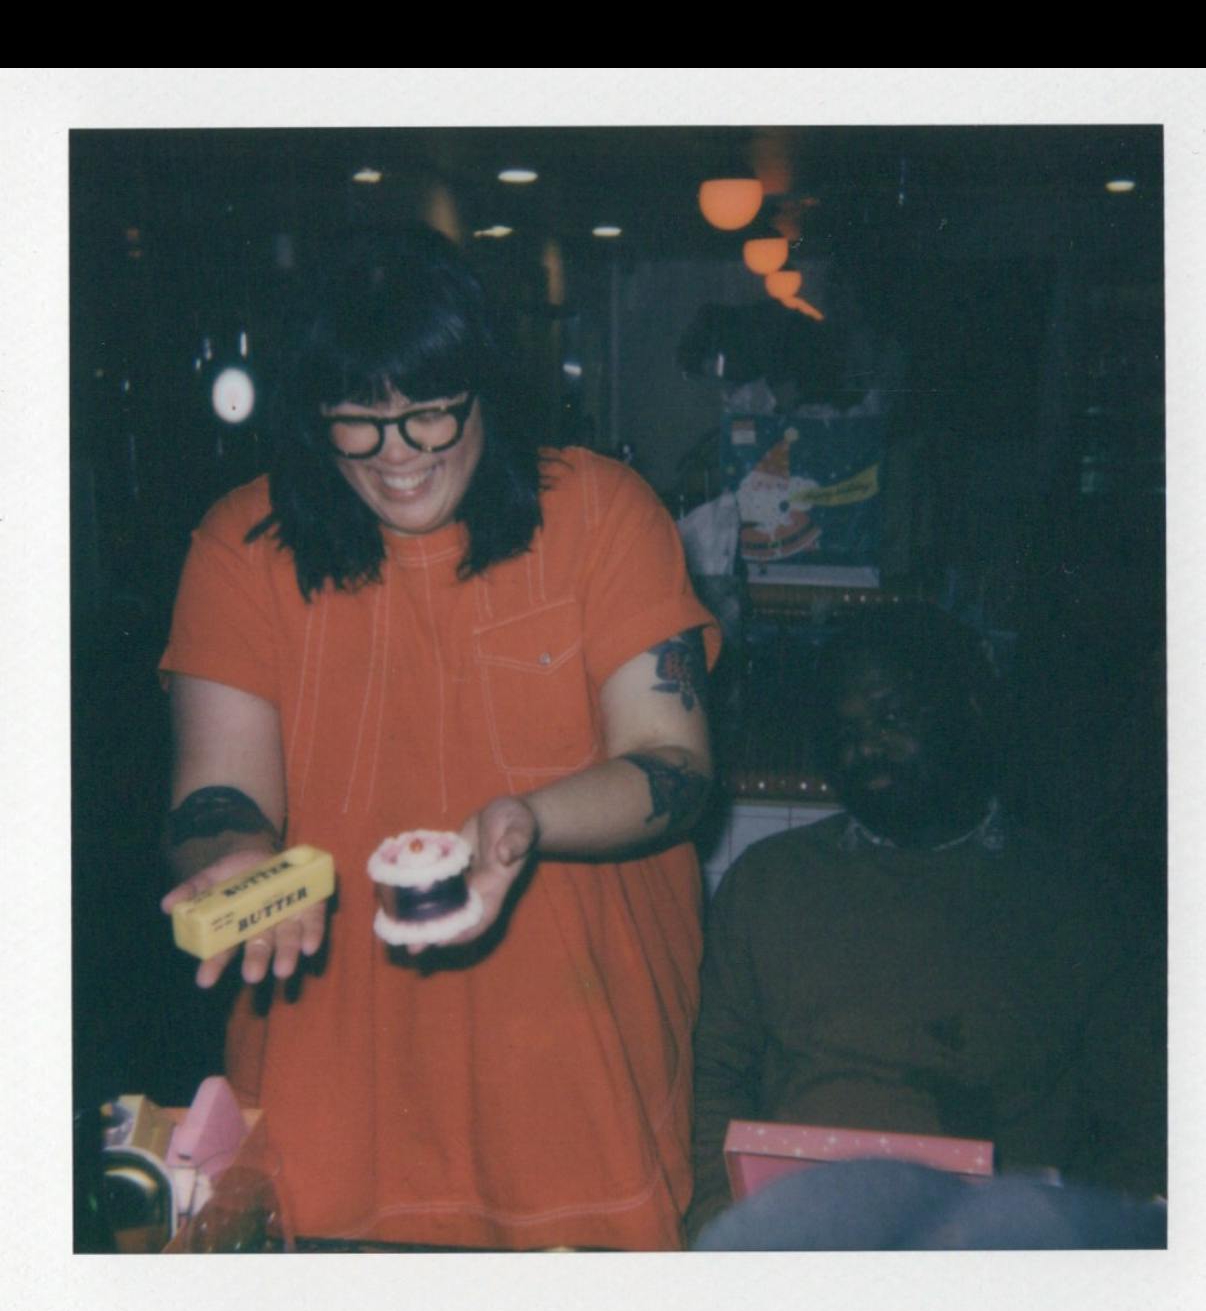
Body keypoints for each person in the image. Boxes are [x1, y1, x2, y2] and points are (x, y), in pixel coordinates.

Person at [159, 233, 718, 1249]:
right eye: (358, 421)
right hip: (331, 1108)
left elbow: (674, 767)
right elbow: (215, 793)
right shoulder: (240, 545)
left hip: (577, 1091)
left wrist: (527, 821)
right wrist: (237, 859)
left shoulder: (602, 514)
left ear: (485, 390)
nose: (399, 454)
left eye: (429, 411)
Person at [688, 604, 1165, 1244]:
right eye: (844, 731)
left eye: (892, 718)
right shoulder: (770, 881)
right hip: (801, 1235)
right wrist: (723, 1218)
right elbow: (710, 1080)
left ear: (970, 709)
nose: (864, 749)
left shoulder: (1078, 901)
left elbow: (1140, 1129)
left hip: (995, 1248)